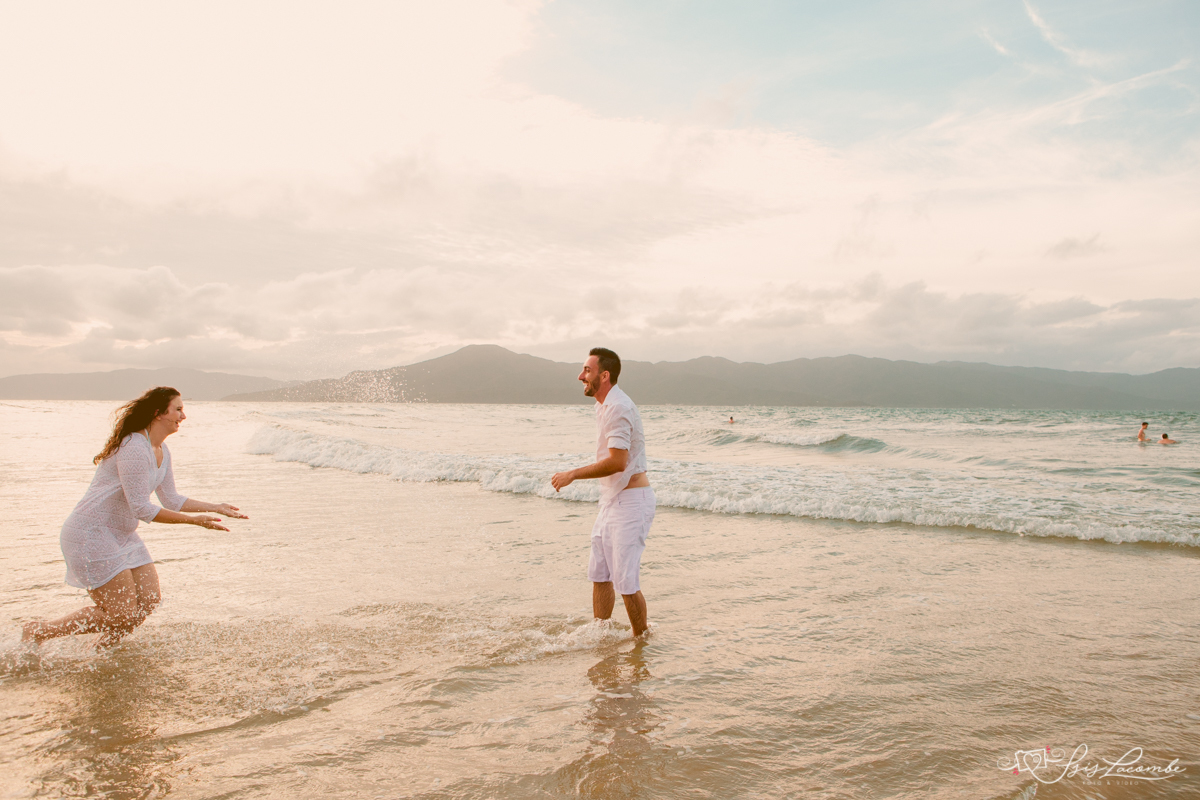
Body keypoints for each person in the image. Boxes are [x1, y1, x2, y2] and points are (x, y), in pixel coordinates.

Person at [21, 387, 247, 649]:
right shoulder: (134, 447)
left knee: (148, 601)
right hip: (91, 533)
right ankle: (38, 630)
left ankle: (101, 650)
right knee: (120, 613)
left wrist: (215, 507)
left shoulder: (161, 450)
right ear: (158, 413)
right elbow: (141, 508)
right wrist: (194, 520)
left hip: (122, 534)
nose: (183, 416)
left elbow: (171, 499)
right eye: (178, 409)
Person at [551, 348, 655, 638]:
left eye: (587, 370)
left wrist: (573, 474)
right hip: (612, 500)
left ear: (604, 375)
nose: (580, 376)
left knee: (626, 582)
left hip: (631, 502)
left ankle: (641, 644)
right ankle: (601, 635)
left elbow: (617, 462)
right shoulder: (604, 406)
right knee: (600, 574)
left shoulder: (619, 407)